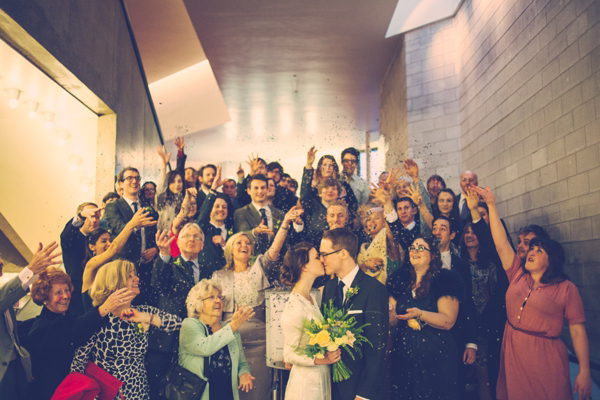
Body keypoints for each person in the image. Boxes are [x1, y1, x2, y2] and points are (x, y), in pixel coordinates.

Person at [474, 186, 592, 400]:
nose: (531, 252)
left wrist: (584, 372)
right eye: (532, 248)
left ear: (551, 260)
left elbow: (577, 332)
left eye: (539, 250)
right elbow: (501, 245)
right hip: (512, 349)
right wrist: (491, 205)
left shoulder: (567, 289)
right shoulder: (517, 274)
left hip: (545, 356)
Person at [212, 207, 302, 400]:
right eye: (239, 242)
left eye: (248, 243)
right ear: (230, 249)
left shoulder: (259, 268)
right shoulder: (219, 276)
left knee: (259, 393)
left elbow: (274, 251)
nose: (244, 245)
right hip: (231, 342)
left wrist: (285, 224)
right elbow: (213, 315)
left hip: (261, 344)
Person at [70, 259, 182, 399]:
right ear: (114, 282)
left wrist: (146, 317)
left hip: (138, 390)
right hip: (106, 394)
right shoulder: (98, 318)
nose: (137, 278)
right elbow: (78, 363)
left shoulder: (143, 311)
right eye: (130, 276)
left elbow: (179, 324)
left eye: (135, 275)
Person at [27, 268, 135, 400]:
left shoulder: (69, 316)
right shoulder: (42, 327)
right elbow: (71, 330)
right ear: (45, 298)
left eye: (67, 290)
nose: (66, 296)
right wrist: (104, 308)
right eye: (58, 292)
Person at [387, 235, 464, 400]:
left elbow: (448, 320)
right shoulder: (400, 280)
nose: (415, 251)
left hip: (436, 353)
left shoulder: (445, 279)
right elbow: (393, 320)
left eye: (421, 248)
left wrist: (420, 314)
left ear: (433, 255)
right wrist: (385, 312)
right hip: (405, 354)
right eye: (413, 248)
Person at [320, 228, 388, 400]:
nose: (322, 260)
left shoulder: (374, 289)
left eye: (325, 254)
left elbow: (376, 348)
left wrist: (364, 394)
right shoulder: (329, 288)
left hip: (359, 387)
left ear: (343, 253)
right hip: (331, 386)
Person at [148, 222, 208, 396]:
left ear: (202, 245)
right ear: (178, 242)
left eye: (197, 237)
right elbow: (158, 284)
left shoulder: (209, 269)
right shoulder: (169, 265)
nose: (192, 239)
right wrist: (164, 254)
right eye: (187, 236)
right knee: (159, 392)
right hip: (166, 341)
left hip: (197, 340)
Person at [0, 243, 62, 399]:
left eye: (1, 263)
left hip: (14, 368)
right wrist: (30, 270)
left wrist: (36, 272)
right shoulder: (4, 296)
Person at [179, 280, 256, 400]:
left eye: (220, 297)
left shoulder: (229, 328)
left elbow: (242, 363)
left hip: (227, 394)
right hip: (199, 395)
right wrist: (233, 326)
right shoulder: (189, 324)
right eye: (211, 297)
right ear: (198, 304)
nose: (218, 301)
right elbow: (204, 347)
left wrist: (244, 373)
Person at [280, 242, 337, 400]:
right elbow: (289, 355)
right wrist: (322, 359)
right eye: (317, 257)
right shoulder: (295, 307)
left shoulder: (311, 298)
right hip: (305, 387)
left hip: (321, 378)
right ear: (303, 267)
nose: (322, 260)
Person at [432, 216, 477, 398]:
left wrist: (471, 343)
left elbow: (468, 304)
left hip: (455, 335)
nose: (437, 232)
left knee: (455, 385)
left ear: (451, 235)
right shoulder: (420, 261)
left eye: (442, 228)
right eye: (434, 228)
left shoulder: (462, 265)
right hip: (428, 333)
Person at [81, 209, 156, 312]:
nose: (109, 243)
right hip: (95, 320)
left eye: (110, 240)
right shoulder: (91, 266)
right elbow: (114, 249)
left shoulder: (115, 267)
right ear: (92, 246)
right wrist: (131, 225)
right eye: (104, 241)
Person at [103, 167, 159, 304]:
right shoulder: (113, 206)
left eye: (137, 178)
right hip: (124, 267)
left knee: (146, 305)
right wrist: (133, 224)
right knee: (125, 306)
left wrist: (155, 249)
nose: (134, 181)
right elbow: (119, 230)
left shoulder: (146, 206)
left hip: (147, 267)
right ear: (120, 183)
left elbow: (154, 233)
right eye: (129, 178)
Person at [61, 202, 102, 315]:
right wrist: (80, 216)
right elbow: (66, 235)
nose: (94, 220)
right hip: (77, 297)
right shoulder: (72, 238)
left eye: (97, 217)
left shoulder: (103, 239)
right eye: (89, 217)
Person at [302, 147, 358, 223]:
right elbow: (304, 198)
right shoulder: (313, 188)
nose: (327, 168)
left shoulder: (344, 186)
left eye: (331, 165)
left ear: (334, 168)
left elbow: (353, 205)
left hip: (340, 224)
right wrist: (309, 164)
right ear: (320, 167)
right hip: (318, 225)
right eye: (324, 165)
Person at [233, 174, 285, 255]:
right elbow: (242, 234)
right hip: (253, 260)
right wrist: (254, 232)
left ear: (267, 190)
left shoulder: (279, 213)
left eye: (263, 188)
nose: (260, 191)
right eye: (256, 188)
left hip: (277, 261)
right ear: (248, 191)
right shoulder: (241, 213)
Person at [356, 202, 402, 284]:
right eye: (368, 219)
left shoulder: (389, 240)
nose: (372, 221)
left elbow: (391, 235)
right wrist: (365, 265)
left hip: (388, 289)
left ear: (385, 222)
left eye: (377, 218)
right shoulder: (363, 247)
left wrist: (386, 203)